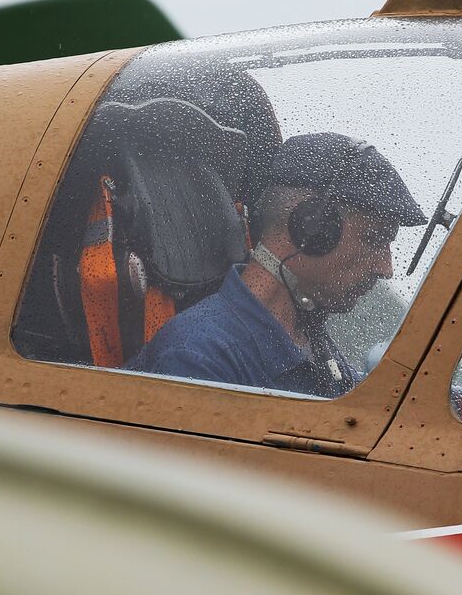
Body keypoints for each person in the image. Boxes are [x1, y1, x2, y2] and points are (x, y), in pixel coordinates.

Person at [129, 132, 426, 397]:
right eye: (374, 240)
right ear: (313, 229)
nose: (386, 268)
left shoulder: (309, 341)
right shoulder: (199, 358)